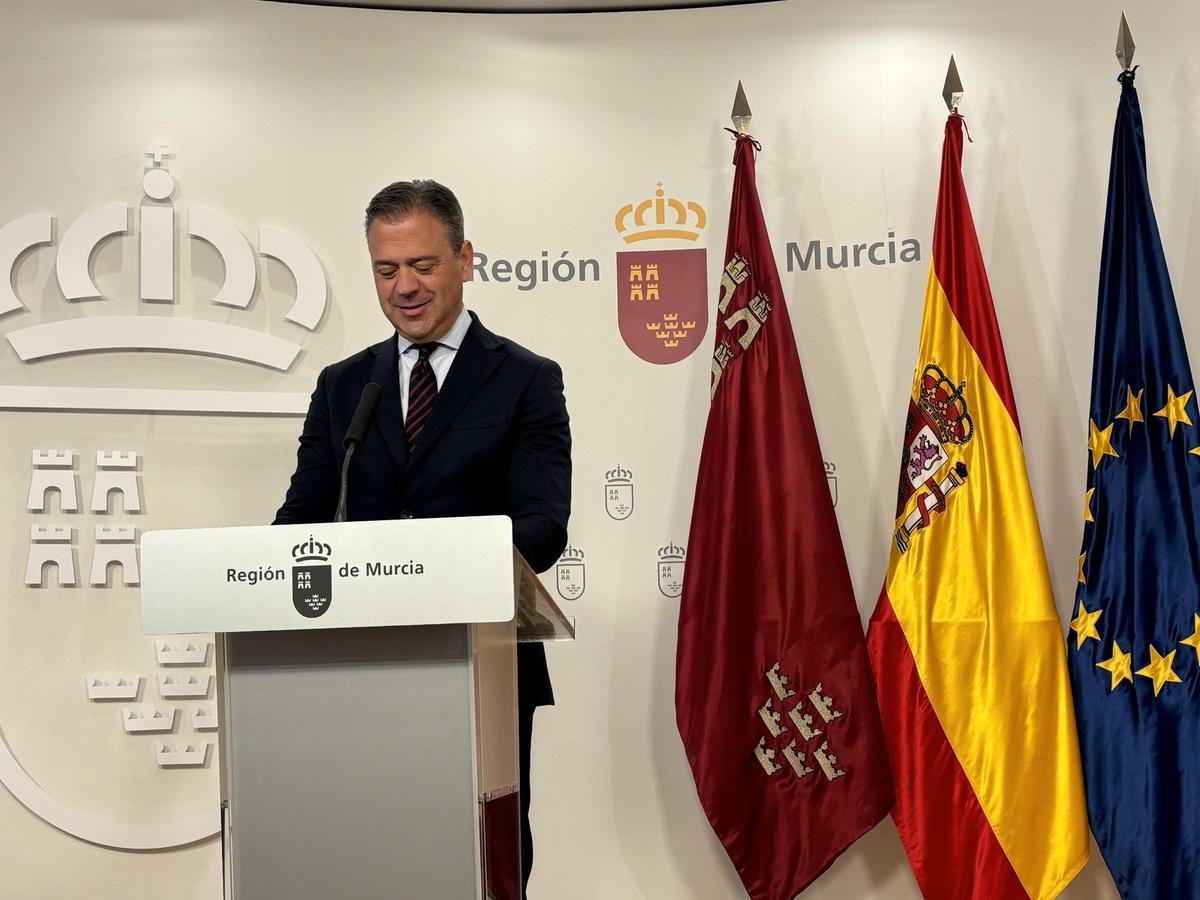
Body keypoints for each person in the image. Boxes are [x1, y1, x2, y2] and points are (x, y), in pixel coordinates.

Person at [274, 179, 571, 894]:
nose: (404, 287)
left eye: (423, 265)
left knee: (483, 858)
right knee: (366, 852)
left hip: (481, 660)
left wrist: (433, 570)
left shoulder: (527, 379)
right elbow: (300, 519)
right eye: (385, 269)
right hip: (355, 664)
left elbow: (542, 524)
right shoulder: (344, 386)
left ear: (465, 259)